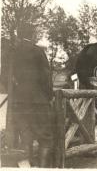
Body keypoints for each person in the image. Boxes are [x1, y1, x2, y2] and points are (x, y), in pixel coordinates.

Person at [11, 23, 54, 167]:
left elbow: (8, 76)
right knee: (45, 137)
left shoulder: (13, 52)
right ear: (31, 34)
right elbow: (46, 77)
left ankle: (26, 168)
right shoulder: (38, 52)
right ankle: (42, 168)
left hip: (19, 102)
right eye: (35, 33)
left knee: (26, 137)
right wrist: (49, 96)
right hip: (38, 101)